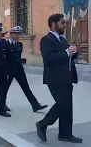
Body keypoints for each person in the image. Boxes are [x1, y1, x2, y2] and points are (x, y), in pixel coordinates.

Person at [36, 14, 82, 143]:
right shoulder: (46, 40)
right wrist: (67, 52)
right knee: (62, 104)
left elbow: (68, 57)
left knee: (67, 107)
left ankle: (65, 134)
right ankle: (43, 124)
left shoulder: (62, 40)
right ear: (53, 24)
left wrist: (74, 51)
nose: (64, 26)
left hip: (67, 77)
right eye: (62, 23)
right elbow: (48, 58)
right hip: (54, 78)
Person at [4, 26, 48, 112]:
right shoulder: (6, 44)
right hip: (9, 70)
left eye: (18, 34)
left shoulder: (19, 44)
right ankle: (2, 105)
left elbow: (18, 56)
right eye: (16, 34)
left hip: (19, 69)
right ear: (11, 34)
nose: (17, 36)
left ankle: (35, 105)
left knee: (26, 87)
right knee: (5, 88)